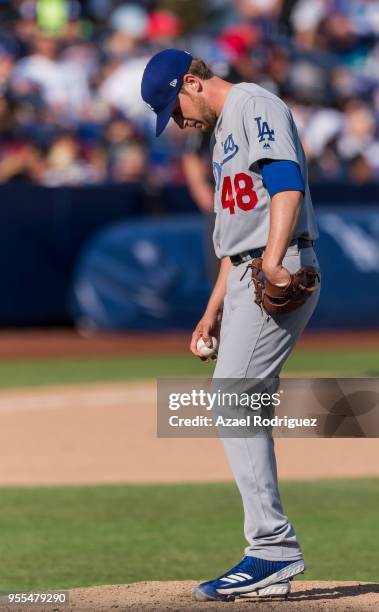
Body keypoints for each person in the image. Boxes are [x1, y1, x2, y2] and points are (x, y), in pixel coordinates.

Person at [141, 48, 320, 602]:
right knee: (239, 399)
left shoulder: (252, 102)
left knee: (233, 397)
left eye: (175, 107)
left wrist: (271, 262)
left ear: (193, 81)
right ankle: (271, 552)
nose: (177, 121)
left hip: (278, 262)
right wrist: (213, 308)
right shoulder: (219, 137)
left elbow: (286, 182)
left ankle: (271, 549)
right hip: (245, 271)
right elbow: (234, 237)